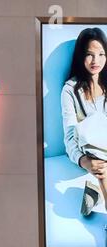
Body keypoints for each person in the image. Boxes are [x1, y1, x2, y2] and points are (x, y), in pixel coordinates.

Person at [61, 27, 107, 216]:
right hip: (92, 153)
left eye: (101, 54)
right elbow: (70, 137)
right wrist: (84, 161)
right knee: (99, 158)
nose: (96, 61)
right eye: (89, 55)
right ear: (81, 56)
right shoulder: (70, 90)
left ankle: (95, 193)